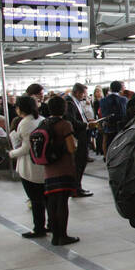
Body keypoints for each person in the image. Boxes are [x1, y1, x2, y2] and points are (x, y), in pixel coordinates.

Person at [7, 95, 48, 238]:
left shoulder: (24, 123)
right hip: (43, 165)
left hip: (30, 166)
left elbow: (26, 148)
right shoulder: (42, 120)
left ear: (20, 108)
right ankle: (51, 225)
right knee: (45, 199)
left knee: (36, 200)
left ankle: (39, 228)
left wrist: (11, 154)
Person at [40, 97, 79, 246]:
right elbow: (70, 148)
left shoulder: (43, 123)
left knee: (52, 202)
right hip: (63, 167)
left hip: (48, 168)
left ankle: (55, 236)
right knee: (62, 202)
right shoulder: (65, 125)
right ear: (64, 109)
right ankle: (63, 235)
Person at [67, 83, 96, 197]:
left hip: (82, 136)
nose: (84, 96)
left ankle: (77, 187)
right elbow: (71, 121)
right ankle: (76, 189)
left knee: (80, 163)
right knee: (79, 163)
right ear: (77, 92)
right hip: (78, 138)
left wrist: (88, 121)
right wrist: (87, 125)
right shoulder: (69, 102)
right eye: (83, 94)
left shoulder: (75, 102)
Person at [97, 80, 127, 154]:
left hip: (108, 126)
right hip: (120, 127)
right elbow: (124, 114)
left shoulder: (103, 100)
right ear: (120, 89)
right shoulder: (123, 99)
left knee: (108, 144)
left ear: (110, 88)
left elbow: (103, 114)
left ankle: (108, 159)